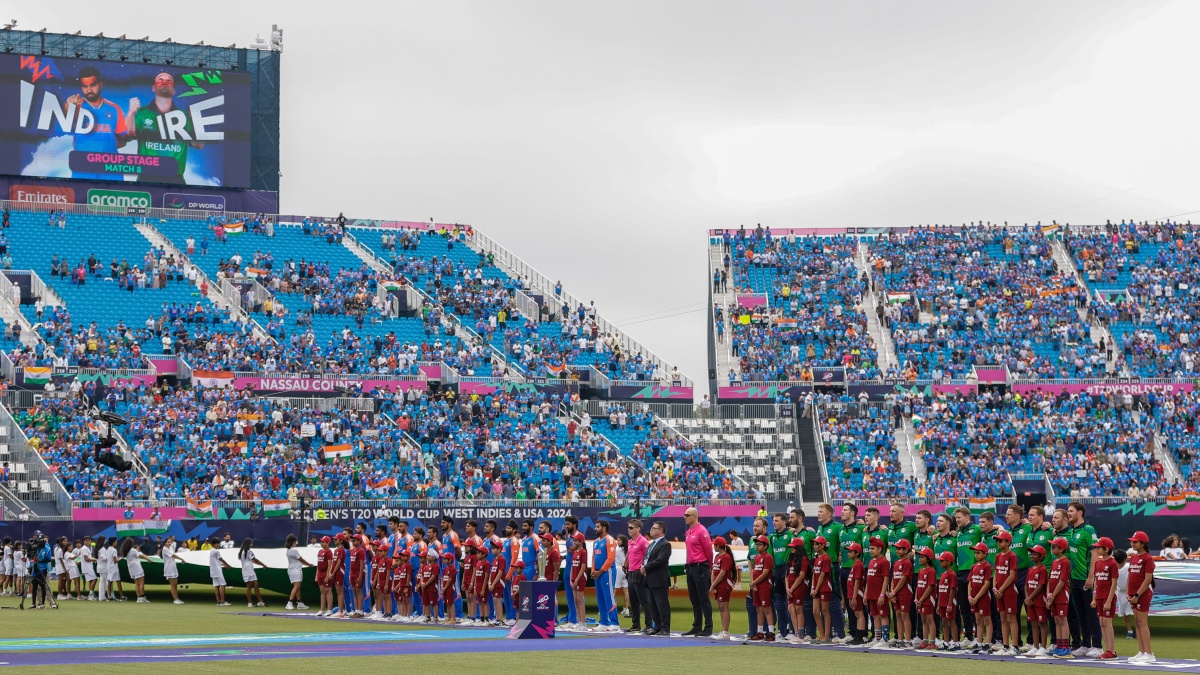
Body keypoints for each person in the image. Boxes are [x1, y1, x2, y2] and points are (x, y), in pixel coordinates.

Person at [129, 72, 205, 185]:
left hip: (175, 179)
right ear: (153, 88)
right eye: (160, 79)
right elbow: (127, 135)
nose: (165, 81)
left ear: (173, 91)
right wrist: (131, 113)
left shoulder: (184, 116)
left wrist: (196, 122)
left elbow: (198, 144)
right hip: (147, 176)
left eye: (169, 80)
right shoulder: (141, 112)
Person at [63, 66, 133, 180]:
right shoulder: (76, 106)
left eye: (93, 85)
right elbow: (66, 113)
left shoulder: (114, 109)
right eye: (85, 86)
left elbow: (123, 141)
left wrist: (105, 146)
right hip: (82, 172)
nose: (89, 90)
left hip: (110, 172)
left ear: (101, 84)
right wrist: (69, 103)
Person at [1065, 501, 1101, 657]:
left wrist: (1091, 576)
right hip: (1074, 578)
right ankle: (1085, 644)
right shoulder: (1072, 531)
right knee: (1080, 613)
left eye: (1071, 511)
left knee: (1091, 613)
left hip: (1085, 577)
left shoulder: (1088, 530)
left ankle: (1098, 645)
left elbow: (1094, 554)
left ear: (1080, 513)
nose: (1068, 513)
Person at [682, 507, 713, 637]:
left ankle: (708, 627)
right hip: (691, 567)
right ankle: (697, 625)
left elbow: (708, 550)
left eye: (687, 515)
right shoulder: (689, 532)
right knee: (694, 598)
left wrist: (709, 567)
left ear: (695, 516)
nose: (684, 517)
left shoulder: (702, 531)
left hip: (700, 566)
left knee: (703, 598)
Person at [1126, 531, 1156, 663]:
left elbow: (1148, 579)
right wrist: (1128, 593)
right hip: (1133, 595)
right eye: (1132, 541)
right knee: (1137, 622)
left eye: (1135, 541)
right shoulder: (1133, 557)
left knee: (1142, 623)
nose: (1132, 543)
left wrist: (1137, 594)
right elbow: (1130, 576)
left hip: (1143, 594)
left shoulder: (1147, 558)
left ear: (1143, 543)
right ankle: (1142, 651)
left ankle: (1149, 653)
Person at [1090, 537, 1119, 660]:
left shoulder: (1112, 563)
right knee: (1102, 623)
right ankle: (1107, 650)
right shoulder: (1098, 563)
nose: (1096, 549)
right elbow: (1097, 581)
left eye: (1099, 547)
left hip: (1108, 598)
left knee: (1107, 622)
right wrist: (1094, 598)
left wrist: (1108, 600)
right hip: (1100, 597)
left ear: (1106, 549)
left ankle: (1111, 650)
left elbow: (1114, 583)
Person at [993, 530, 1020, 655]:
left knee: (1011, 618)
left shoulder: (1012, 556)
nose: (998, 542)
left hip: (1008, 591)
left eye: (1000, 540)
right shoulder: (998, 556)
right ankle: (1005, 645)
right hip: (999, 591)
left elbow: (1012, 575)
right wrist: (994, 588)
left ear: (1008, 542)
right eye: (997, 540)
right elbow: (996, 573)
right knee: (1003, 618)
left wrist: (1001, 589)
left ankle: (1014, 646)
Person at [642, 520, 671, 635]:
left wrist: (646, 567)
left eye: (654, 528)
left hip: (659, 579)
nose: (651, 530)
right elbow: (647, 558)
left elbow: (661, 560)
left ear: (660, 530)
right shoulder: (651, 544)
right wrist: (644, 567)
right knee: (652, 605)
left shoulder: (665, 544)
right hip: (650, 578)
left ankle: (665, 628)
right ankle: (658, 626)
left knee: (662, 605)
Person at [591, 520, 619, 631]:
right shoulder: (596, 541)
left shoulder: (610, 540)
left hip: (607, 572)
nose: (595, 529)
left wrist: (600, 571)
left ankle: (615, 623)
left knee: (609, 597)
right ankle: (604, 622)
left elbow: (610, 558)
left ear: (604, 528)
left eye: (597, 527)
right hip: (598, 573)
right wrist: (593, 570)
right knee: (600, 597)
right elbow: (593, 557)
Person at [1047, 537, 1072, 658]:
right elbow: (1050, 579)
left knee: (1062, 619)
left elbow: (1062, 581)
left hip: (1061, 595)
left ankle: (1066, 648)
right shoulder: (1054, 562)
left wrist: (1053, 596)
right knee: (1056, 620)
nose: (1052, 549)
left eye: (1054, 547)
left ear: (1061, 549)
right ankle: (1059, 645)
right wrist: (1048, 595)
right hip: (1053, 595)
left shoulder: (1065, 562)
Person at [1022, 545, 1050, 657]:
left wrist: (1030, 597)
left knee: (1042, 623)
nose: (1032, 556)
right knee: (1033, 623)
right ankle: (1035, 646)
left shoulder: (1043, 569)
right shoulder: (1030, 569)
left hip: (1039, 600)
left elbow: (1040, 585)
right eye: (1031, 554)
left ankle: (1043, 647)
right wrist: (1027, 597)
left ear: (1041, 556)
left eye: (1034, 554)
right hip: (1030, 601)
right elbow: (1026, 584)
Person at [967, 541, 994, 654]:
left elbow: (986, 583)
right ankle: (978, 643)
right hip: (974, 598)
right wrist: (969, 596)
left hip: (983, 598)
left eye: (978, 553)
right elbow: (970, 582)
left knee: (987, 620)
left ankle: (987, 644)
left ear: (985, 554)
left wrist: (977, 597)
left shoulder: (987, 566)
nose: (976, 555)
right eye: (975, 553)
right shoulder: (973, 566)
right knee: (978, 620)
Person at [748, 535, 776, 642]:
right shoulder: (757, 557)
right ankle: (760, 632)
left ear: (765, 546)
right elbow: (755, 571)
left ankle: (771, 632)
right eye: (756, 544)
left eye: (759, 544)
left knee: (767, 608)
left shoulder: (768, 557)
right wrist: (753, 583)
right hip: (757, 586)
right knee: (758, 609)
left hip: (764, 585)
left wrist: (753, 582)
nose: (757, 546)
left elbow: (765, 573)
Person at [865, 537, 891, 648]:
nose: (870, 550)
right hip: (871, 594)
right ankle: (877, 638)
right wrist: (866, 593)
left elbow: (886, 578)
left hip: (879, 594)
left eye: (873, 548)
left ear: (880, 549)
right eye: (869, 548)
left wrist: (882, 594)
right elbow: (868, 579)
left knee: (883, 616)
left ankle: (885, 639)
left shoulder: (884, 561)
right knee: (875, 616)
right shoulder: (871, 561)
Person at [710, 536, 737, 640]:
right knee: (720, 607)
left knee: (724, 607)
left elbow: (722, 573)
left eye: (714, 545)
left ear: (718, 546)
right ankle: (723, 630)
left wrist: (713, 585)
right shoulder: (717, 556)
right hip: (717, 585)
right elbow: (713, 571)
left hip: (724, 584)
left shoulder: (726, 557)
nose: (713, 546)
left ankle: (726, 632)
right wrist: (713, 585)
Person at [784, 537, 809, 644]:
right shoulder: (791, 559)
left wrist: (792, 588)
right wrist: (787, 588)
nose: (791, 549)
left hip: (799, 587)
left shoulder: (803, 559)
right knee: (791, 609)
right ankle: (795, 632)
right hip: (790, 587)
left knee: (798, 609)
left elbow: (801, 576)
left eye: (793, 547)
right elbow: (786, 574)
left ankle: (800, 633)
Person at [625, 519, 649, 633]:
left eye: (631, 528)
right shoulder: (630, 542)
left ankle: (649, 625)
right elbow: (630, 556)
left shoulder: (643, 541)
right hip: (630, 572)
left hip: (639, 573)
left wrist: (644, 569)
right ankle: (636, 625)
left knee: (643, 600)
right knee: (633, 601)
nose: (628, 529)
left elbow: (648, 556)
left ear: (638, 529)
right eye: (628, 527)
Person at [842, 541, 865, 645]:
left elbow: (857, 581)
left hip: (858, 594)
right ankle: (857, 636)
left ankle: (860, 637)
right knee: (857, 614)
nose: (848, 553)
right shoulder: (855, 564)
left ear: (857, 553)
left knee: (859, 614)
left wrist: (854, 596)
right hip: (853, 594)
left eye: (851, 551)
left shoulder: (858, 565)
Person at [914, 547, 937, 649]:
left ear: (928, 559)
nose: (920, 559)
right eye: (919, 557)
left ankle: (932, 642)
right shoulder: (920, 570)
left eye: (922, 557)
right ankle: (925, 641)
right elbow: (918, 586)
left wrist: (922, 599)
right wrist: (916, 598)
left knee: (930, 620)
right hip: (920, 600)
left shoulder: (931, 571)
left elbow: (930, 587)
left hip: (927, 600)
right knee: (923, 620)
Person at [284, 534, 313, 611]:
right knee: (296, 587)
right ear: (293, 542)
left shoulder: (289, 550)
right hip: (295, 570)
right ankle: (289, 603)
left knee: (298, 587)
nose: (296, 543)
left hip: (295, 570)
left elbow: (299, 560)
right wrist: (309, 564)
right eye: (295, 542)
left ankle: (299, 602)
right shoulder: (293, 550)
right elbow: (301, 559)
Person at [119, 538, 152, 603]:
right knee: (141, 583)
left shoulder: (125, 551)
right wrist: (148, 559)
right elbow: (140, 555)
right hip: (137, 567)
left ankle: (138, 597)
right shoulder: (132, 550)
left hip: (131, 569)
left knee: (137, 583)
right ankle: (142, 598)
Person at [567, 532, 588, 631]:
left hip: (580, 579)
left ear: (580, 541)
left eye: (576, 540)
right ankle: (579, 622)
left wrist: (576, 580)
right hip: (574, 579)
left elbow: (583, 567)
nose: (574, 542)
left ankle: (583, 623)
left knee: (579, 600)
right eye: (574, 540)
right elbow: (572, 566)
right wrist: (571, 580)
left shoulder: (583, 552)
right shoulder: (574, 552)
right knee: (575, 600)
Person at [487, 539, 509, 626]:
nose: (492, 550)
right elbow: (492, 572)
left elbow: (500, 572)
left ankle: (499, 619)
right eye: (492, 548)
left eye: (494, 548)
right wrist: (489, 582)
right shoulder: (494, 559)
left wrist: (493, 583)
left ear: (499, 549)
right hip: (493, 583)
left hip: (499, 583)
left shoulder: (501, 559)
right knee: (494, 600)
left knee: (497, 599)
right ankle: (497, 618)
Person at [161, 535, 186, 605]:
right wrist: (181, 559)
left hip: (173, 567)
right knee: (173, 585)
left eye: (170, 542)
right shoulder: (165, 549)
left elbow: (173, 554)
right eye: (168, 542)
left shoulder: (170, 548)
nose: (169, 543)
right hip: (169, 568)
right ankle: (175, 599)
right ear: (165, 543)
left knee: (175, 584)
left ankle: (177, 599)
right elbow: (173, 555)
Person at [315, 536, 334, 617]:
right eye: (321, 541)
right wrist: (316, 575)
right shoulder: (320, 551)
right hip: (320, 573)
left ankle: (329, 610)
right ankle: (322, 610)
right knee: (322, 591)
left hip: (325, 572)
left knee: (328, 591)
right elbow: (318, 564)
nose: (321, 543)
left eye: (323, 542)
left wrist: (327, 575)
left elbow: (330, 565)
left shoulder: (329, 552)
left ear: (327, 543)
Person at [209, 537, 231, 606]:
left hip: (213, 570)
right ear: (213, 544)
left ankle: (218, 601)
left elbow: (216, 561)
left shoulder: (211, 551)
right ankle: (222, 601)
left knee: (216, 586)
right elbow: (221, 559)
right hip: (217, 571)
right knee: (223, 584)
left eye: (218, 543)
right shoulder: (216, 551)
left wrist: (223, 565)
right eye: (216, 543)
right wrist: (228, 565)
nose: (218, 545)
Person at [392, 549, 413, 621]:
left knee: (408, 600)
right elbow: (401, 577)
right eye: (402, 556)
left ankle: (408, 616)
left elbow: (408, 576)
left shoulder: (408, 565)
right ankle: (403, 615)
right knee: (403, 600)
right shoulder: (402, 566)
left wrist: (406, 586)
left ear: (408, 557)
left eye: (404, 556)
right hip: (401, 585)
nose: (402, 557)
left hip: (406, 585)